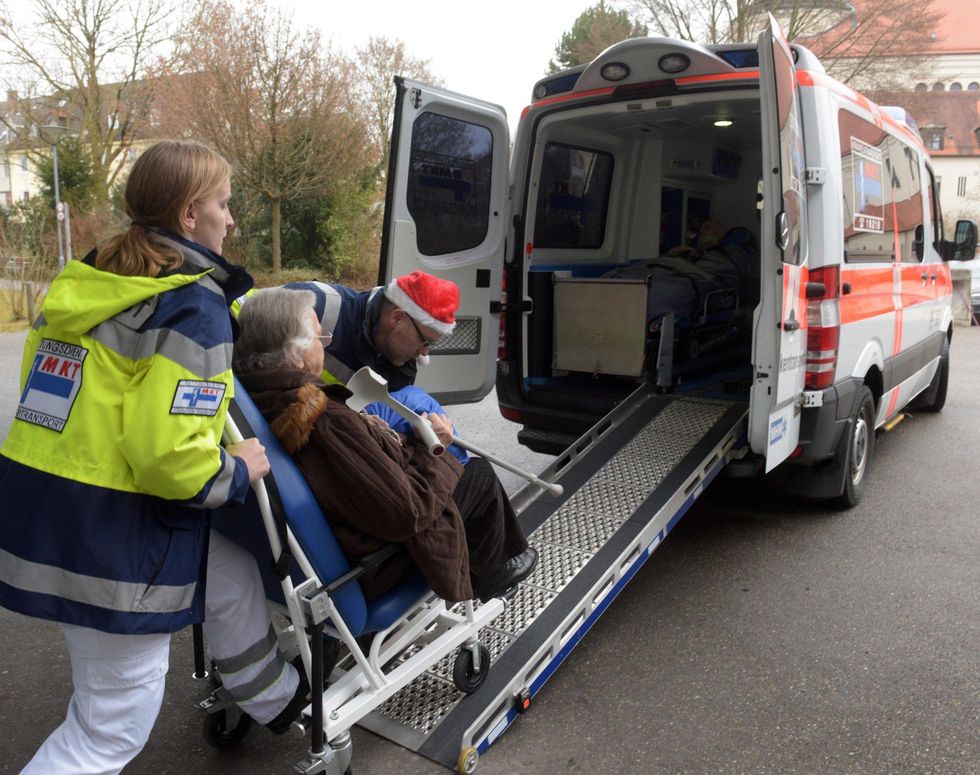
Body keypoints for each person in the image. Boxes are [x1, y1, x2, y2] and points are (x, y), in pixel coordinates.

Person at [0, 140, 306, 774]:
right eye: (224, 204)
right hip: (112, 535)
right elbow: (170, 460)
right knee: (107, 731)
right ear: (190, 215)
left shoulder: (85, 283)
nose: (233, 220)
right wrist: (238, 468)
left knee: (222, 567)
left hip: (45, 515)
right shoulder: (192, 306)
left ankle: (276, 699)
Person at [233, 287, 537, 603]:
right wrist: (435, 451)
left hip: (349, 534)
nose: (325, 347)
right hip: (381, 562)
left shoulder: (259, 400)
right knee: (478, 474)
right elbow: (407, 514)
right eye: (319, 340)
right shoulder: (326, 422)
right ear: (295, 352)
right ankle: (495, 575)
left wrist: (398, 440)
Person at [277, 269, 459, 390]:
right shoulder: (315, 303)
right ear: (396, 318)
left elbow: (391, 414)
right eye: (425, 341)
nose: (424, 354)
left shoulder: (402, 361)